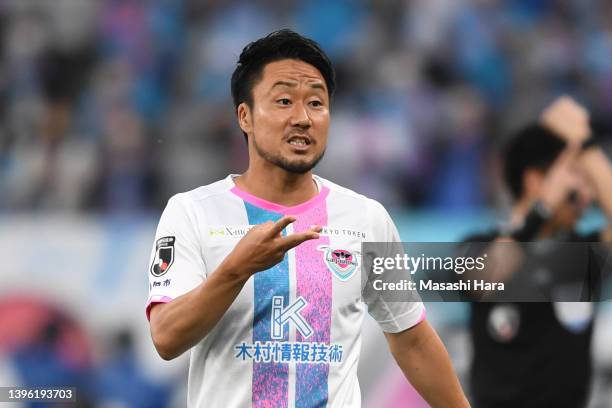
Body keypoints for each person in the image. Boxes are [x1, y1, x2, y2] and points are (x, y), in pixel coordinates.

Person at [145, 29, 469, 407]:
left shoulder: (367, 219)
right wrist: (236, 270)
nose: (302, 118)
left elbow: (411, 338)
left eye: (316, 103)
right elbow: (166, 338)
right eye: (284, 101)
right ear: (245, 116)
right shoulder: (193, 212)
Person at [464, 96, 612, 407]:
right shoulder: (478, 244)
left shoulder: (583, 254)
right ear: (536, 181)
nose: (588, 195)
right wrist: (541, 210)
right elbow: (483, 278)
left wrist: (585, 145)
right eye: (579, 179)